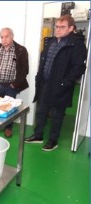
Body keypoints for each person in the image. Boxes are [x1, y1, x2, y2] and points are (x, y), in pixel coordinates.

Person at [25, 15, 87, 151]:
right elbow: (44, 61)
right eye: (57, 26)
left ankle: (53, 140)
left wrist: (64, 83)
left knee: (57, 115)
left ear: (71, 28)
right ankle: (38, 135)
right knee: (41, 111)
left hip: (60, 86)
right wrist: (38, 77)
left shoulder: (76, 45)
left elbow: (78, 68)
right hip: (44, 83)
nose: (58, 29)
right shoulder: (50, 42)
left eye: (62, 27)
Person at [0, 27, 29, 138]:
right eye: (2, 37)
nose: (4, 39)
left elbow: (24, 70)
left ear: (12, 36)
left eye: (6, 36)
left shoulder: (21, 50)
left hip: (10, 86)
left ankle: (8, 128)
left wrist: (15, 84)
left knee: (8, 109)